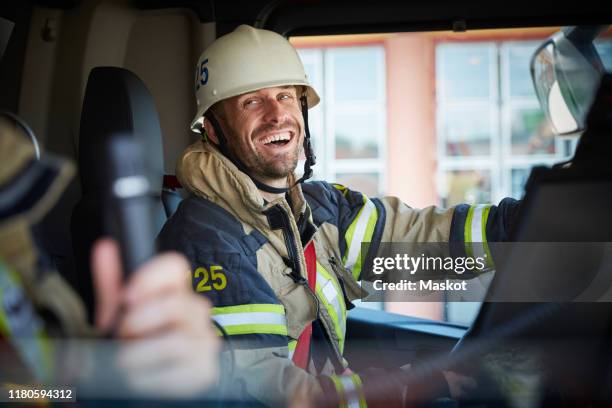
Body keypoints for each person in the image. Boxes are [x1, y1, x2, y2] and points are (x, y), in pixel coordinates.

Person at [157, 25, 520, 406]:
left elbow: (417, 240)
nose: (277, 114)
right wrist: (410, 388)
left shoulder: (317, 209)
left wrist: (517, 226)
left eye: (286, 96)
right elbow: (265, 394)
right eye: (251, 102)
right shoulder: (206, 239)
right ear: (213, 130)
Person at [0, 113, 220, 400]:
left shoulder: (12, 204)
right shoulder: (202, 227)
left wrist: (123, 375)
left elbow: (57, 389)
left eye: (286, 96)